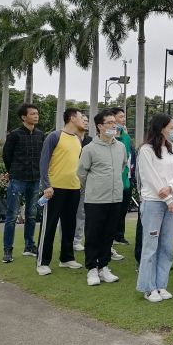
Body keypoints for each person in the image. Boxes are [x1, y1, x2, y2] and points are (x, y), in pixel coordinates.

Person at [136, 113, 173, 303]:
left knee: (166, 246)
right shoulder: (146, 150)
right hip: (154, 202)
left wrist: (171, 188)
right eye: (171, 127)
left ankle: (161, 284)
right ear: (161, 128)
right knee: (151, 246)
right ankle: (148, 287)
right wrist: (167, 198)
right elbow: (150, 177)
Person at [78, 109, 127, 286]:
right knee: (93, 235)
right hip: (95, 199)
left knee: (108, 235)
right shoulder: (89, 149)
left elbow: (122, 167)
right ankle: (92, 268)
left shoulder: (120, 147)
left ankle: (104, 266)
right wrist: (95, 187)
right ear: (99, 126)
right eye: (110, 122)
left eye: (115, 122)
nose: (114, 125)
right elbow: (81, 173)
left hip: (115, 198)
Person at [37, 108, 86, 276]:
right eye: (81, 117)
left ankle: (66, 258)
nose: (83, 119)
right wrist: (46, 185)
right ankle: (43, 262)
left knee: (69, 225)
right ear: (72, 118)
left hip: (74, 188)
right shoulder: (54, 136)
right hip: (54, 188)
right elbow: (43, 162)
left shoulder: (78, 139)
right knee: (49, 226)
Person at [1, 103, 44, 263]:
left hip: (35, 179)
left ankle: (29, 246)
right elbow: (6, 155)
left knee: (31, 215)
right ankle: (7, 250)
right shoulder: (15, 135)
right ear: (24, 117)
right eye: (33, 114)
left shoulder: (40, 134)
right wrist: (13, 172)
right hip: (18, 179)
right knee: (12, 216)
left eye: (37, 113)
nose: (36, 116)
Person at [109, 108, 133, 249]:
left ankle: (119, 235)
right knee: (113, 211)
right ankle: (110, 237)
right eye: (120, 117)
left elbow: (129, 157)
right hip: (113, 180)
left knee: (123, 209)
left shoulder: (127, 137)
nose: (123, 119)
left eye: (124, 117)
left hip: (126, 179)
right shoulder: (109, 136)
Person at [73, 114, 94, 252]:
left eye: (87, 121)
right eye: (83, 120)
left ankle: (77, 240)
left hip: (85, 182)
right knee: (69, 213)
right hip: (69, 181)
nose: (85, 123)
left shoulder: (90, 140)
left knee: (81, 213)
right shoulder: (70, 138)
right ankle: (67, 240)